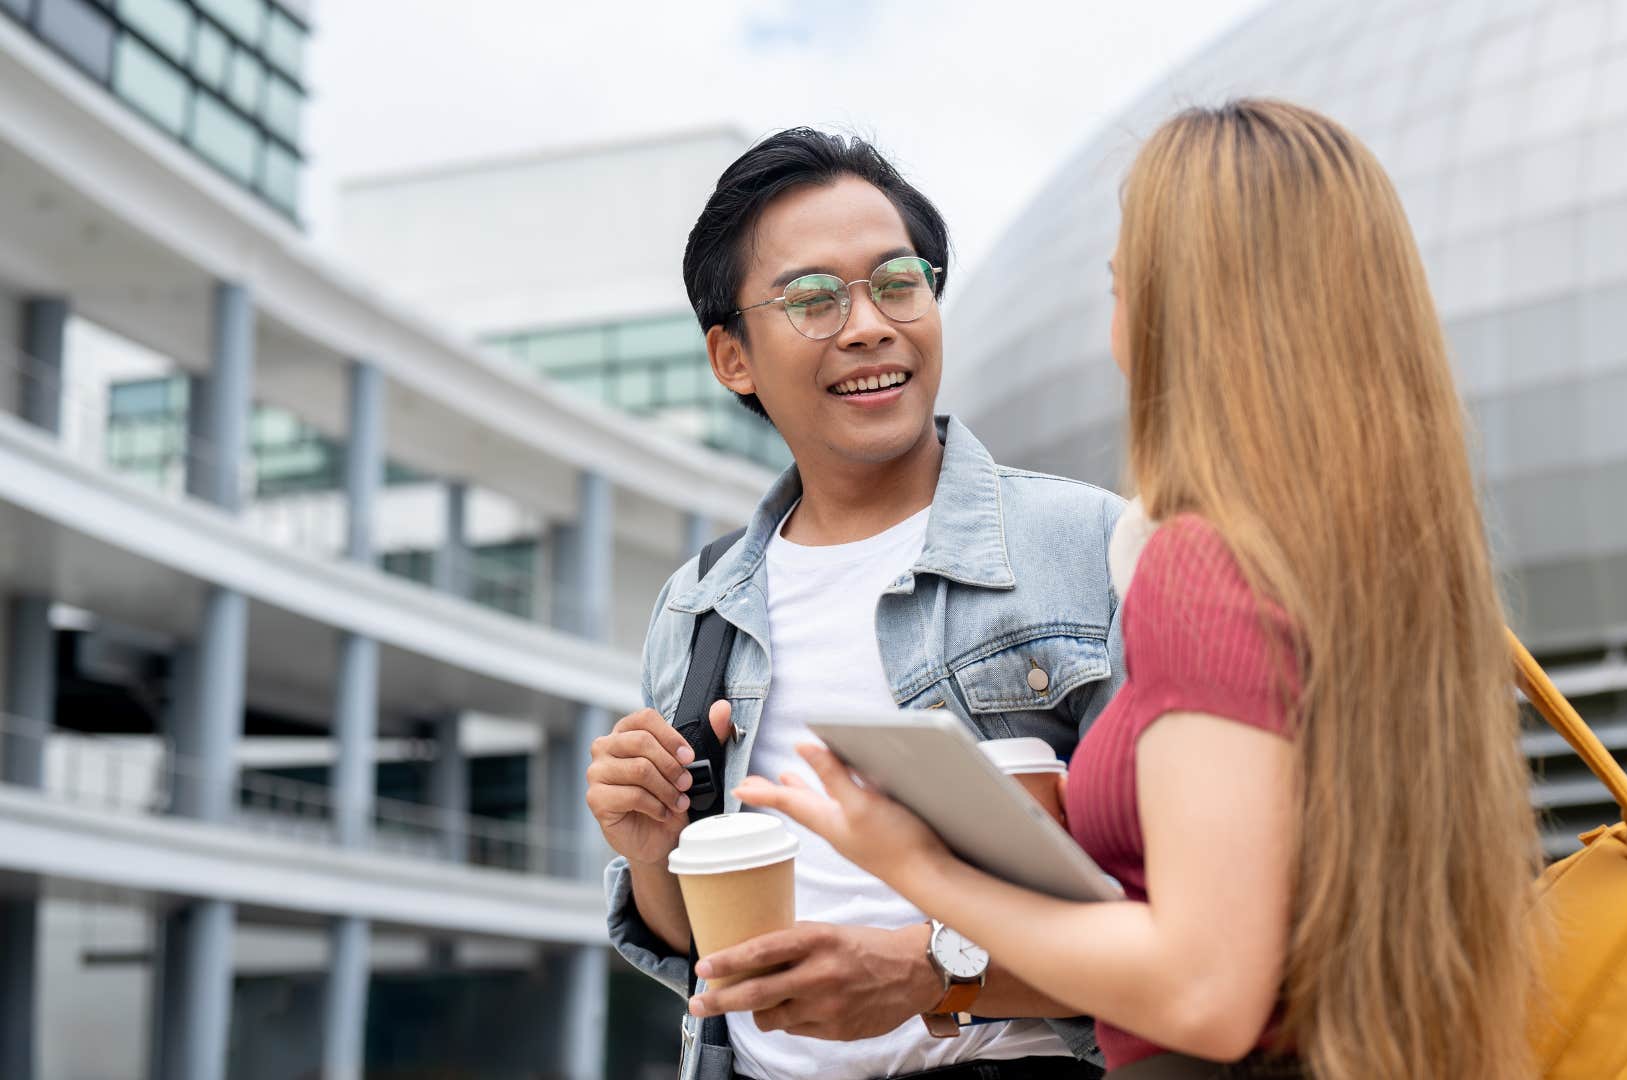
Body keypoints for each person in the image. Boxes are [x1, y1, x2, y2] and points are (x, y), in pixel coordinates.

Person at [728, 100, 1544, 1080]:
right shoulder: (1389, 569)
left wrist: (915, 865)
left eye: (1122, 286)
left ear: (1183, 308)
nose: (1114, 325)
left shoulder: (1198, 567)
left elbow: (1203, 990)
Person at [585, 128, 1125, 1080]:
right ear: (733, 359)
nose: (870, 324)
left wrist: (930, 973)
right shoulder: (699, 606)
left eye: (897, 281)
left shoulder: (1090, 547)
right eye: (813, 298)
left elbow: (1183, 931)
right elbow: (706, 951)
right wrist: (654, 848)